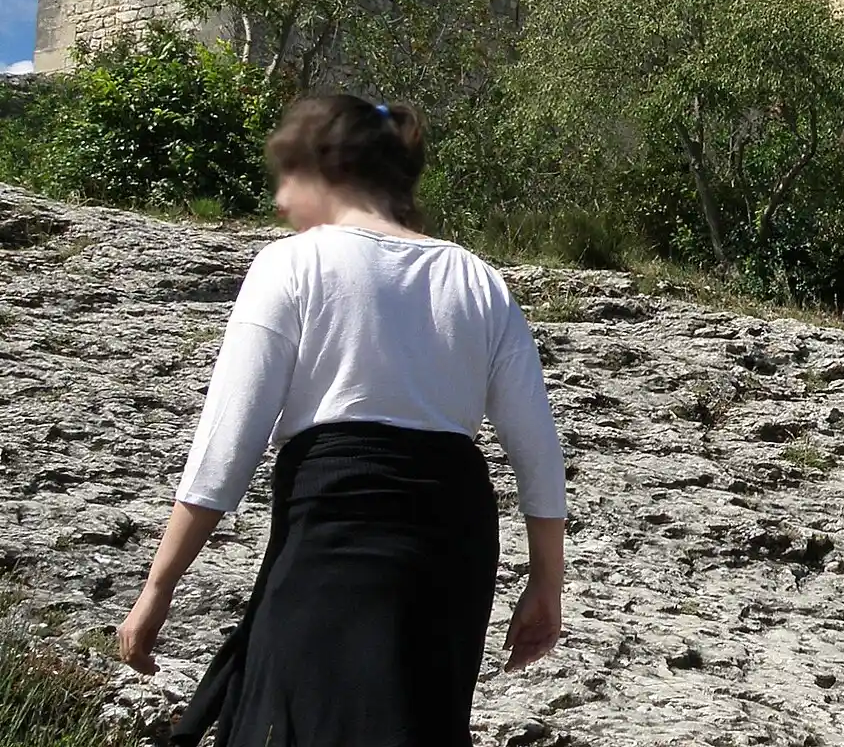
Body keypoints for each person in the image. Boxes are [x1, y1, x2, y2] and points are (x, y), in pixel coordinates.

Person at [116, 95, 569, 747]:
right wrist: (545, 584)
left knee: (300, 719)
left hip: (335, 523)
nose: (277, 200)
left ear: (328, 167)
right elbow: (537, 451)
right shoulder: (477, 280)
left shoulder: (292, 263)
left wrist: (157, 589)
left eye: (287, 175)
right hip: (452, 542)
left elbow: (225, 447)